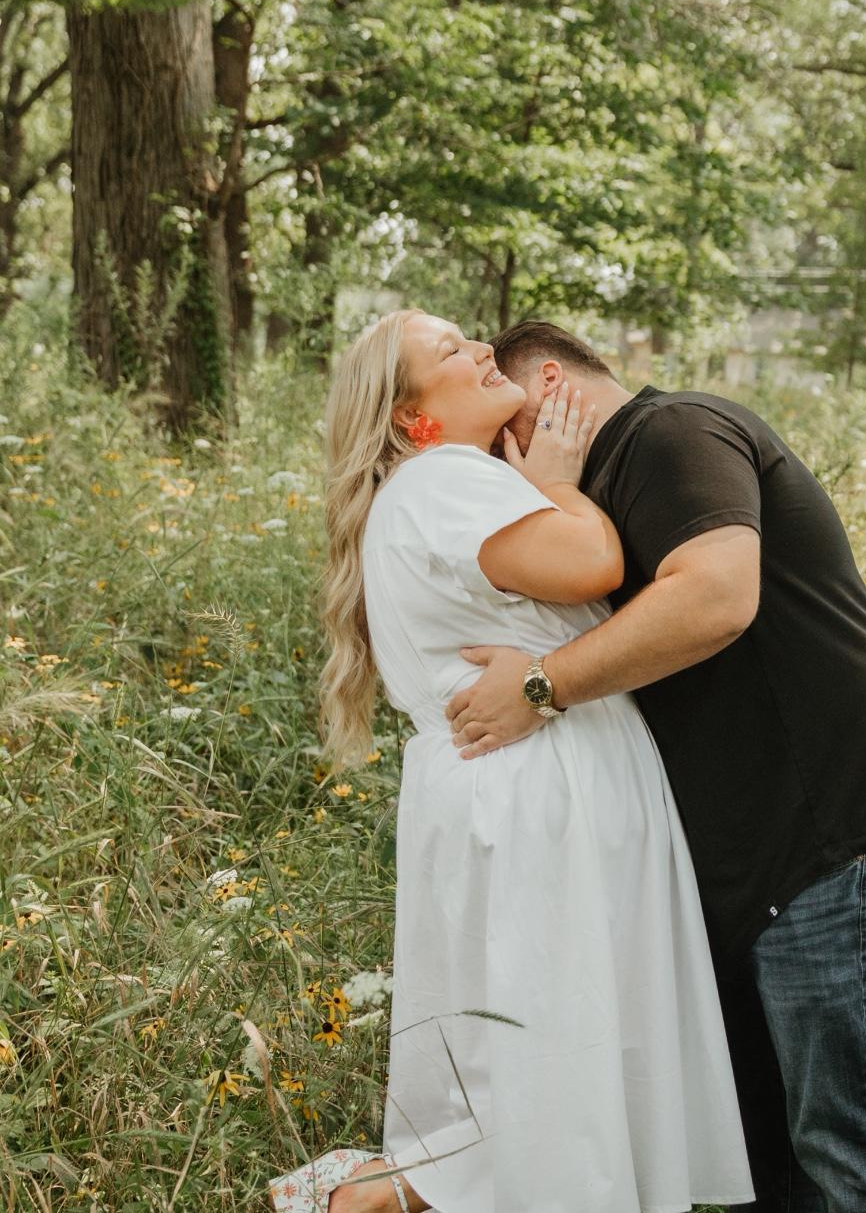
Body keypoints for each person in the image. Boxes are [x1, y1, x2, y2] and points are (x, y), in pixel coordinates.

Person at [445, 321, 866, 1213]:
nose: (501, 457)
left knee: (855, 1150)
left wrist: (540, 686)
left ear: (550, 384)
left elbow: (717, 595)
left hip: (826, 836)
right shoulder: (586, 504)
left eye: (505, 429)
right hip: (746, 868)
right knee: (769, 1168)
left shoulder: (671, 432)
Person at [271, 309, 753, 1213]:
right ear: (412, 417)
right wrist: (559, 483)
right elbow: (591, 561)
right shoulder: (445, 478)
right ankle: (362, 1199)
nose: (483, 350)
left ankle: (378, 1194)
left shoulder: (441, 488)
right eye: (451, 351)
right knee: (558, 1062)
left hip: (520, 786)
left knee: (545, 1064)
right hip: (537, 796)